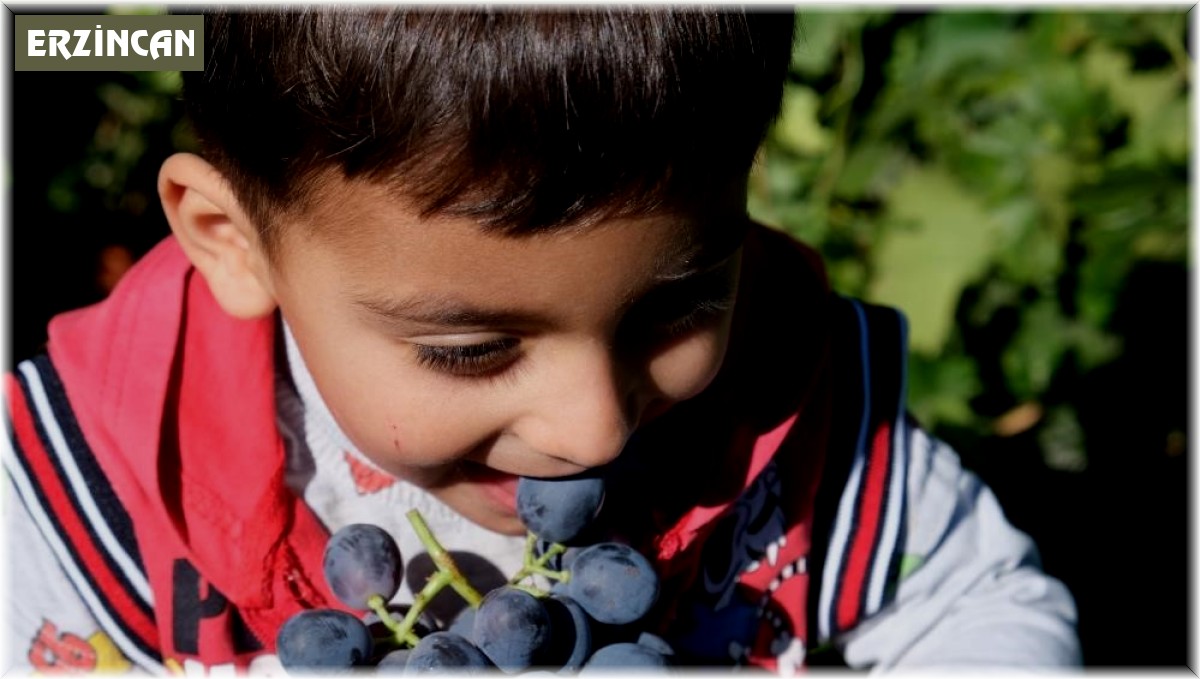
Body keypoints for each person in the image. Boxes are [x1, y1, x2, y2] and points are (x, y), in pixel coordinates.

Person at [3, 8, 1081, 674]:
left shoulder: (803, 421)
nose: (594, 426)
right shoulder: (86, 501)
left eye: (676, 306)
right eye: (471, 349)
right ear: (230, 242)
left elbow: (980, 608)